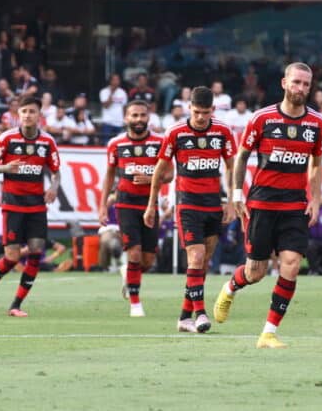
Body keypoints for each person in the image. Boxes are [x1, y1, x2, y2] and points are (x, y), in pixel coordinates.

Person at [216, 62, 322, 349]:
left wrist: (315, 199)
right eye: (296, 82)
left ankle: (268, 332)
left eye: (306, 84)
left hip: (294, 206)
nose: (301, 88)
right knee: (256, 271)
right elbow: (241, 156)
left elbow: (316, 164)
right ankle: (230, 288)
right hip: (261, 204)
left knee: (291, 265)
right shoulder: (262, 119)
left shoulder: (317, 124)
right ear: (284, 83)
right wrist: (236, 195)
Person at [144, 86, 236, 334]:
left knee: (203, 263)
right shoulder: (175, 132)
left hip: (213, 204)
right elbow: (160, 170)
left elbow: (231, 168)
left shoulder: (223, 132)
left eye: (205, 112)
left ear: (213, 110)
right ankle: (200, 313)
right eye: (196, 112)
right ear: (189, 108)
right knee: (195, 258)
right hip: (187, 203)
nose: (201, 117)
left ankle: (184, 317)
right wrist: (151, 204)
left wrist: (231, 201)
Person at [0, 95, 61, 317]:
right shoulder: (7, 139)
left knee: (36, 252)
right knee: (13, 257)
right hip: (13, 206)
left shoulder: (47, 142)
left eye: (32, 111)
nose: (27, 115)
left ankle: (16, 304)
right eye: (24, 111)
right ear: (18, 114)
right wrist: (6, 168)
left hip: (36, 207)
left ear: (39, 115)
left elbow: (56, 172)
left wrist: (54, 187)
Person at [100, 100, 168, 317]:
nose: (138, 119)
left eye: (142, 115)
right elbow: (109, 176)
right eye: (134, 115)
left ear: (149, 117)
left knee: (147, 261)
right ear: (125, 118)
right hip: (125, 204)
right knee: (135, 254)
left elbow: (170, 174)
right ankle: (136, 305)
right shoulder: (116, 144)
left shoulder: (160, 142)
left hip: (150, 205)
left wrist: (151, 178)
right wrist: (102, 206)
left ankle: (127, 274)